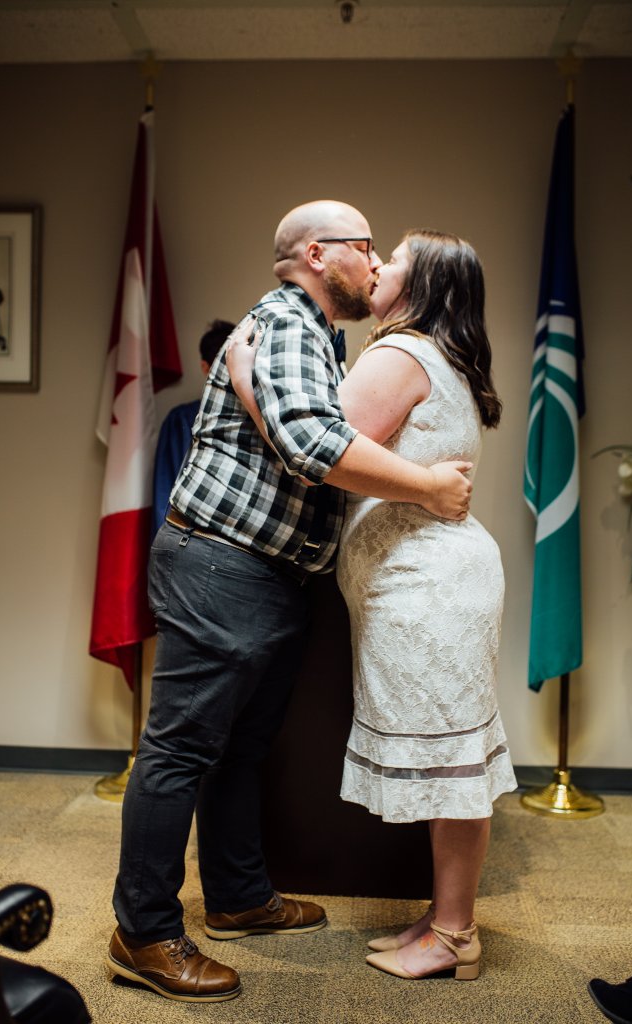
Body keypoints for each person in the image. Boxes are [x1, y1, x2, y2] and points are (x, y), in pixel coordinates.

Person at [108, 201, 473, 1005]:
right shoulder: (281, 321)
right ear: (318, 253)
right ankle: (142, 931)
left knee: (241, 750)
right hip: (219, 563)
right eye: (365, 247)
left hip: (265, 572)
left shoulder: (319, 334)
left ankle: (236, 897)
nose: (375, 264)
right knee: (178, 750)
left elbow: (299, 431)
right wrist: (431, 487)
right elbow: (313, 447)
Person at [229, 228, 517, 983]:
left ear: (418, 288)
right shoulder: (433, 354)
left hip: (426, 587)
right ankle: (445, 916)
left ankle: (454, 935)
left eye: (392, 260)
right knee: (446, 753)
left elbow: (318, 455)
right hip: (433, 580)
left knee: (450, 761)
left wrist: (246, 384)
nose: (377, 266)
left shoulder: (399, 354)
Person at [152, 319, 234, 536]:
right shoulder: (181, 421)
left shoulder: (264, 420)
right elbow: (165, 496)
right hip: (190, 540)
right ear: (205, 367)